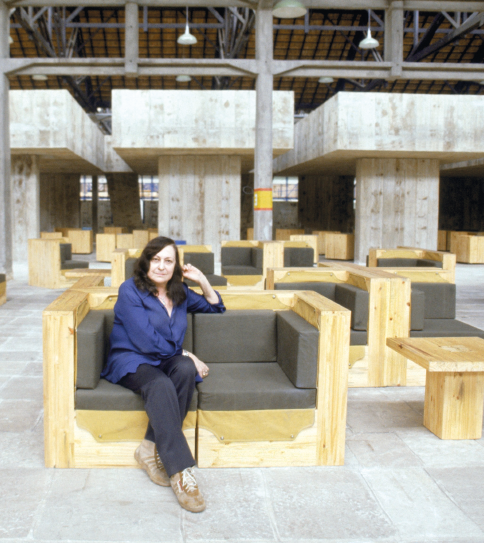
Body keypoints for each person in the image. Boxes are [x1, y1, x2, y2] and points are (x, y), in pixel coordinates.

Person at [101, 236, 226, 513]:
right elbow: (144, 341)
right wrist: (187, 353)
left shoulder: (179, 293)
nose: (161, 266)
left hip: (164, 359)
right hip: (131, 360)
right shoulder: (130, 291)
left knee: (183, 371)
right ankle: (181, 473)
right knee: (160, 382)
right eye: (156, 259)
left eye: (168, 261)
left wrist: (201, 279)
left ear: (176, 267)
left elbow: (215, 306)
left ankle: (148, 447)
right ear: (146, 262)